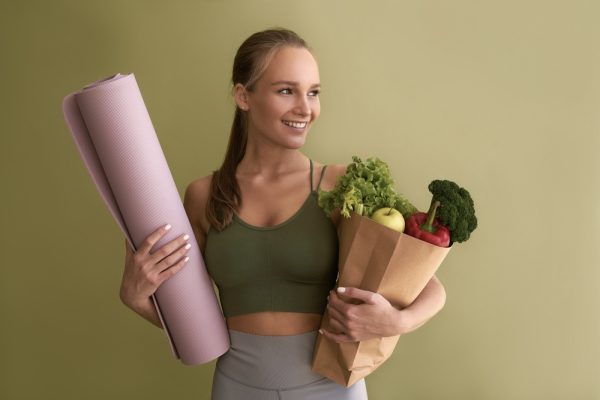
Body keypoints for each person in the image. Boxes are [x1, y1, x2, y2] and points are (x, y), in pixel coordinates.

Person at [119, 27, 447, 399]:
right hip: (237, 388)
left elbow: (428, 282)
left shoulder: (339, 185)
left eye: (314, 92)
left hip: (331, 387)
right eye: (286, 91)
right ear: (244, 96)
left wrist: (396, 321)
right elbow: (192, 321)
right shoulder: (204, 196)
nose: (305, 108)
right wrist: (136, 298)